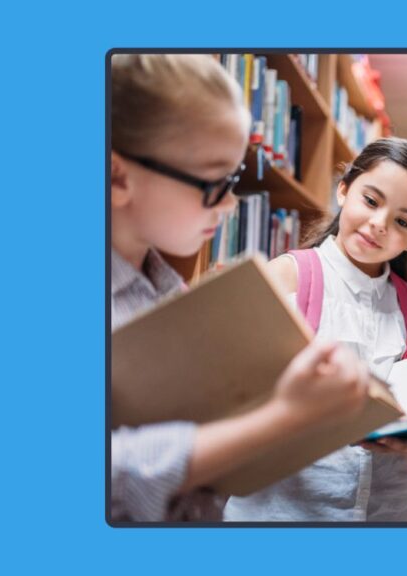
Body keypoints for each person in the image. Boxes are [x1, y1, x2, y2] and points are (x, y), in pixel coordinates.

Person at [110, 54, 372, 522]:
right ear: (117, 177)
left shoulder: (166, 290)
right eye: (214, 183)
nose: (231, 204)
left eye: (234, 180)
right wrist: (285, 417)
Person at [224, 137, 407, 521]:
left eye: (402, 222)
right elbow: (230, 398)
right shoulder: (286, 277)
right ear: (344, 189)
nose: (378, 225)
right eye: (371, 200)